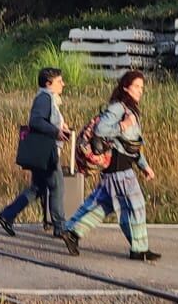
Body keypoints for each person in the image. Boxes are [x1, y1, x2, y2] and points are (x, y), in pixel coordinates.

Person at [59, 66, 160, 261]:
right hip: (119, 167)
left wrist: (144, 166)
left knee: (102, 205)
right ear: (125, 87)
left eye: (142, 87)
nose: (140, 90)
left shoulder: (129, 110)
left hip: (119, 166)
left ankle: (72, 232)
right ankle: (139, 249)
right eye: (136, 86)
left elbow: (132, 144)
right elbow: (101, 130)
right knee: (135, 206)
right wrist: (124, 125)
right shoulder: (118, 108)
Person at [0, 66, 69, 236]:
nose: (63, 84)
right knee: (57, 187)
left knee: (37, 188)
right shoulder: (45, 98)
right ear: (48, 83)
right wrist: (56, 131)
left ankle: (7, 215)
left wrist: (60, 126)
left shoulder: (49, 98)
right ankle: (60, 227)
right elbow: (36, 121)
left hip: (42, 152)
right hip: (47, 153)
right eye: (59, 81)